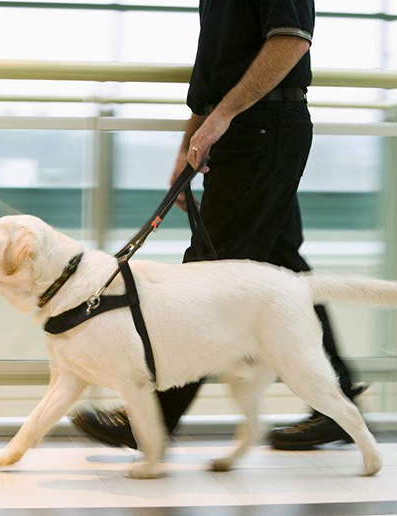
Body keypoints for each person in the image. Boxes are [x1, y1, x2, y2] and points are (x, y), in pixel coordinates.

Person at [71, 0, 370, 451]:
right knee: (282, 267)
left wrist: (222, 118)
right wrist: (195, 135)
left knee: (207, 274)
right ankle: (339, 404)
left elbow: (290, 40)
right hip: (244, 128)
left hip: (262, 129)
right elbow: (216, 68)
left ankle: (151, 418)